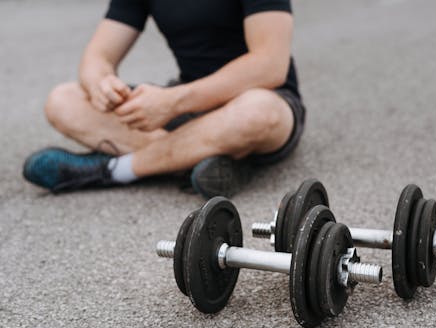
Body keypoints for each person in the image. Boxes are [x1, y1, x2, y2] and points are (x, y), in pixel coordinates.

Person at [23, 0, 305, 198]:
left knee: (256, 113)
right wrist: (101, 83)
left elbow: (270, 65)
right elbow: (98, 57)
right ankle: (206, 159)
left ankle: (114, 170)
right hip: (188, 107)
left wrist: (172, 102)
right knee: (63, 100)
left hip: (266, 100)